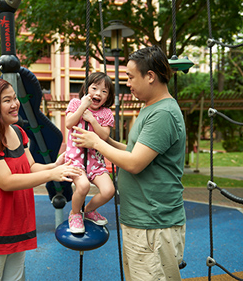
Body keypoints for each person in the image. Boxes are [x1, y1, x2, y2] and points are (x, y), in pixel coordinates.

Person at [72, 45, 187, 281]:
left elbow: (134, 163)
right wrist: (107, 141)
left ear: (151, 76)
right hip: (142, 221)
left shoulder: (162, 113)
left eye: (131, 77)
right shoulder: (151, 108)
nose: (128, 84)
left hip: (153, 224)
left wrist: (96, 142)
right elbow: (136, 152)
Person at [0, 78, 82, 281]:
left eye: (15, 98)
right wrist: (51, 175)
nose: (15, 104)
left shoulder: (19, 133)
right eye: (6, 100)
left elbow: (30, 167)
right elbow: (7, 181)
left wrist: (56, 166)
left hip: (16, 223)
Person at [62, 72, 116, 234]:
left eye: (104, 91)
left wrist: (92, 119)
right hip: (76, 160)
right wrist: (82, 108)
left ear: (108, 97)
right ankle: (75, 213)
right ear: (86, 90)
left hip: (96, 162)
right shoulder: (76, 103)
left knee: (109, 191)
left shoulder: (106, 113)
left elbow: (104, 136)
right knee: (83, 185)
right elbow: (69, 123)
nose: (98, 93)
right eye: (94, 88)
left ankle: (89, 210)